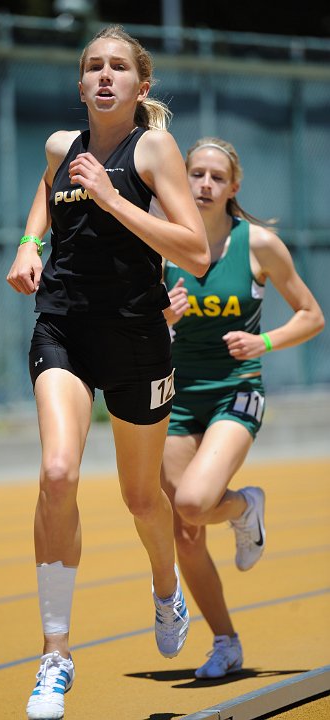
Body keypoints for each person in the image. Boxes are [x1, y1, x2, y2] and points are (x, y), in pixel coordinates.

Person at [6, 25, 210, 720]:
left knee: (142, 500)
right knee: (58, 473)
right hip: (63, 325)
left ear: (140, 86)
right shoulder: (60, 149)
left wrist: (114, 199)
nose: (103, 76)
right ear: (80, 81)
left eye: (118, 67)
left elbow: (196, 249)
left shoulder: (152, 148)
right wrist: (30, 245)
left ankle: (164, 585)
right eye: (93, 65)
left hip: (136, 337)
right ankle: (55, 656)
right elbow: (45, 193)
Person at [161, 136, 325, 680]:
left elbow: (311, 315)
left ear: (234, 187)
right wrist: (161, 321)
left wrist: (266, 342)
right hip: (177, 395)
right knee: (185, 528)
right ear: (181, 179)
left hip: (237, 388)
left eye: (215, 176)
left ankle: (242, 507)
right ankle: (226, 642)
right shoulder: (158, 246)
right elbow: (126, 329)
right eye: (195, 174)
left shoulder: (258, 244)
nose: (203, 184)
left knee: (192, 501)